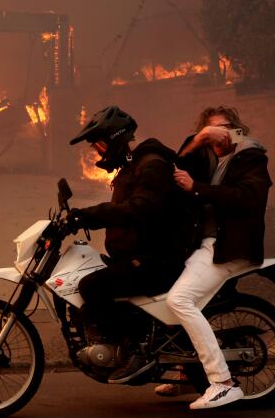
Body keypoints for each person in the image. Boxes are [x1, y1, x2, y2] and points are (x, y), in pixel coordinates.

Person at [67, 105, 196, 383]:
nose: (99, 151)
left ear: (116, 138)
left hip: (158, 259)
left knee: (92, 285)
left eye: (101, 144)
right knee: (90, 276)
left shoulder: (151, 165)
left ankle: (135, 352)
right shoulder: (134, 165)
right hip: (139, 255)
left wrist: (90, 215)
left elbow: (140, 208)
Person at [157, 105, 271, 410]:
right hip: (205, 244)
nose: (219, 136)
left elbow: (248, 197)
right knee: (167, 290)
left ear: (237, 129)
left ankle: (223, 382)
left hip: (228, 246)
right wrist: (198, 139)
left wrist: (198, 188)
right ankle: (185, 370)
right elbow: (174, 166)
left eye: (224, 128)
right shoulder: (208, 157)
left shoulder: (251, 156)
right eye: (213, 131)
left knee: (179, 300)